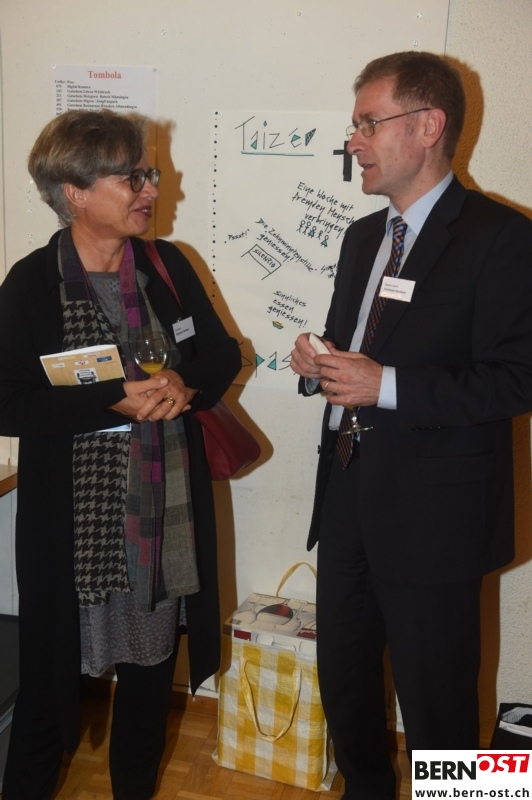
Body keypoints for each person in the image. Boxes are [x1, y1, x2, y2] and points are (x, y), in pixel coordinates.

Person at [291, 51, 532, 799]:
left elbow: (517, 378)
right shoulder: (363, 237)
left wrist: (385, 385)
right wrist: (317, 364)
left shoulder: (503, 236)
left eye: (368, 123)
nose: (353, 141)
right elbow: (354, 352)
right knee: (347, 689)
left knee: (441, 710)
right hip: (348, 499)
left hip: (438, 520)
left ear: (428, 126)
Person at [0, 109, 241, 799]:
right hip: (69, 536)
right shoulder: (31, 285)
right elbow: (6, 400)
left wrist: (185, 385)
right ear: (74, 192)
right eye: (132, 177)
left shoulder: (168, 267)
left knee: (145, 695)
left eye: (149, 173)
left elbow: (221, 356)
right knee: (46, 701)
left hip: (157, 528)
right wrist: (109, 400)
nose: (151, 188)